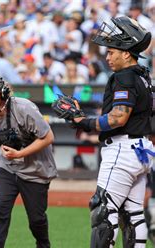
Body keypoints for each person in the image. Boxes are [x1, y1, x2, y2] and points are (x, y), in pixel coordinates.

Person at [68, 16, 153, 247]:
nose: (107, 57)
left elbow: (119, 117)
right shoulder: (143, 76)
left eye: (111, 52)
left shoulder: (124, 76)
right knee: (133, 214)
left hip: (123, 149)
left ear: (126, 53)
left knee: (103, 209)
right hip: (142, 150)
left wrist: (84, 121)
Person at [0, 72, 57, 248]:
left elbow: (48, 137)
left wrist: (20, 154)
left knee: (36, 220)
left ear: (4, 93)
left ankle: (43, 245)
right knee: (0, 214)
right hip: (8, 168)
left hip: (36, 170)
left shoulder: (24, 108)